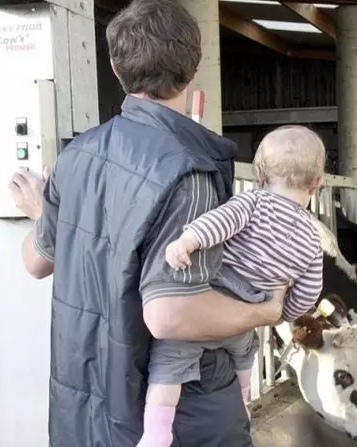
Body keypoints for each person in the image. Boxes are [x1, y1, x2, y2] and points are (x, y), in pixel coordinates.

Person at [8, 1, 285, 445]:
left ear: (116, 68)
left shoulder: (75, 157)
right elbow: (171, 315)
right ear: (192, 70)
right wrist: (265, 312)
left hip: (86, 404)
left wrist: (44, 214)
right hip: (180, 416)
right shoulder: (188, 172)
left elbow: (37, 262)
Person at [139, 126, 326, 446]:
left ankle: (156, 434)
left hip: (215, 303)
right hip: (249, 317)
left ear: (259, 175)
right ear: (317, 183)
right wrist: (280, 313)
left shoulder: (253, 202)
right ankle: (243, 400)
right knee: (244, 357)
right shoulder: (312, 237)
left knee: (170, 358)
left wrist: (187, 240)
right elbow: (310, 289)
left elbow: (220, 223)